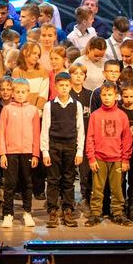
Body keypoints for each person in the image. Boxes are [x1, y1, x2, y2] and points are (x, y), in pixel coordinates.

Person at [84, 81, 132, 226]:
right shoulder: (95, 115)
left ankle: (118, 213)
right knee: (97, 189)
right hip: (99, 158)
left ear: (116, 96)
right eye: (104, 95)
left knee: (117, 189)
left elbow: (127, 139)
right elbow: (90, 137)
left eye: (110, 95)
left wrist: (125, 159)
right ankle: (95, 213)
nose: (106, 98)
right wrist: (91, 158)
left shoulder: (122, 116)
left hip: (117, 159)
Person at [41, 73, 84, 228]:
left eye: (67, 85)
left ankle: (67, 209)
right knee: (53, 179)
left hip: (71, 146)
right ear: (55, 87)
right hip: (54, 145)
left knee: (68, 179)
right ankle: (52, 210)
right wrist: (45, 151)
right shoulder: (49, 105)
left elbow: (80, 129)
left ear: (70, 86)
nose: (64, 88)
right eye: (61, 85)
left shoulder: (77, 105)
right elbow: (45, 129)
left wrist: (79, 151)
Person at [0, 78, 40, 228]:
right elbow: (1, 132)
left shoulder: (33, 110)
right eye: (17, 92)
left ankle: (27, 212)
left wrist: (35, 154)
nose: (20, 94)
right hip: (10, 153)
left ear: (28, 93)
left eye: (23, 92)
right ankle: (8, 214)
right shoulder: (7, 109)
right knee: (10, 184)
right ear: (13, 93)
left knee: (27, 183)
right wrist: (2, 153)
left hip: (28, 152)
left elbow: (36, 133)